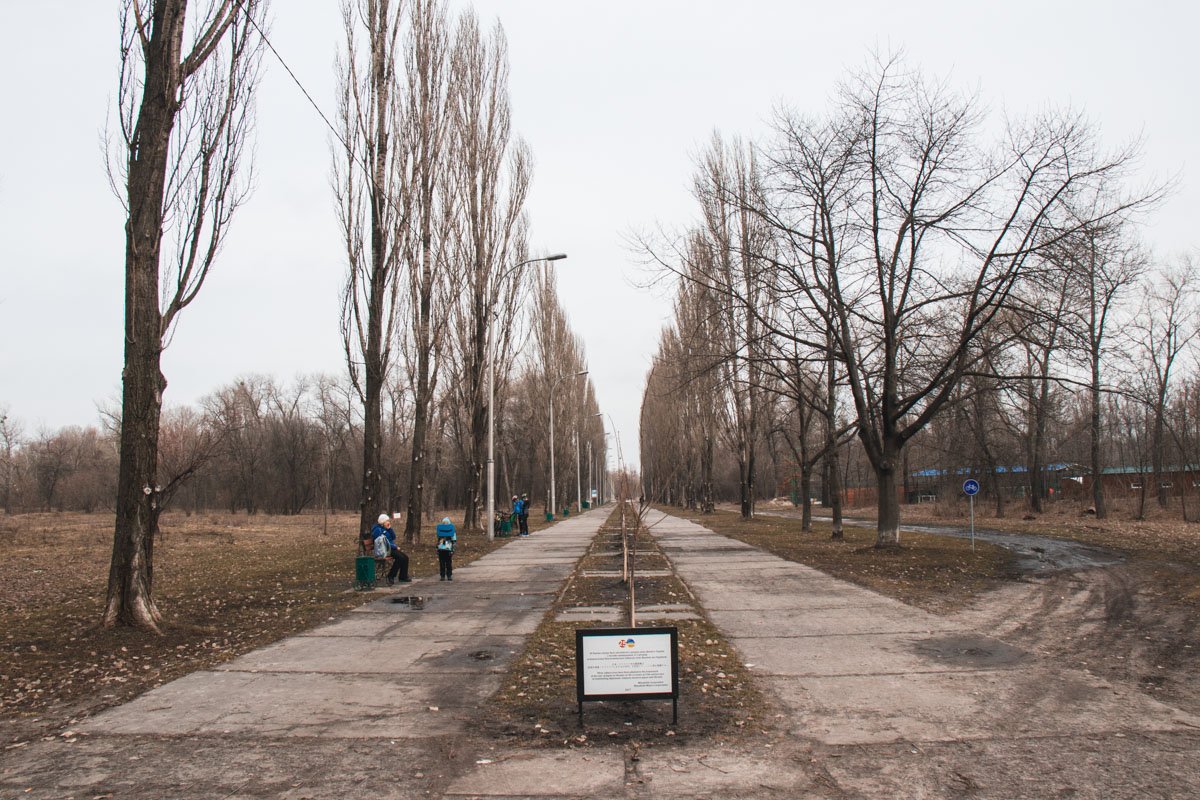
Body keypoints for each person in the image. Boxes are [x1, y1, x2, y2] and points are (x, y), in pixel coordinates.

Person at [372, 513, 411, 585]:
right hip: (383, 550)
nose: (388, 522)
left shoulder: (385, 529)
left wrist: (389, 529)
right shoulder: (378, 530)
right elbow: (382, 543)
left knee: (405, 557)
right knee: (400, 558)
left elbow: (393, 537)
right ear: (382, 522)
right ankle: (391, 576)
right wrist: (395, 547)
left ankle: (403, 576)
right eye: (387, 521)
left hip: (389, 549)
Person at [435, 516, 457, 581]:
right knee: (448, 562)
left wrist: (437, 548)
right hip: (448, 548)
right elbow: (454, 540)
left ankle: (443, 576)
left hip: (441, 548)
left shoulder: (440, 531)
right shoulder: (452, 531)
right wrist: (453, 548)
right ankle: (448, 575)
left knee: (442, 562)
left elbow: (438, 540)